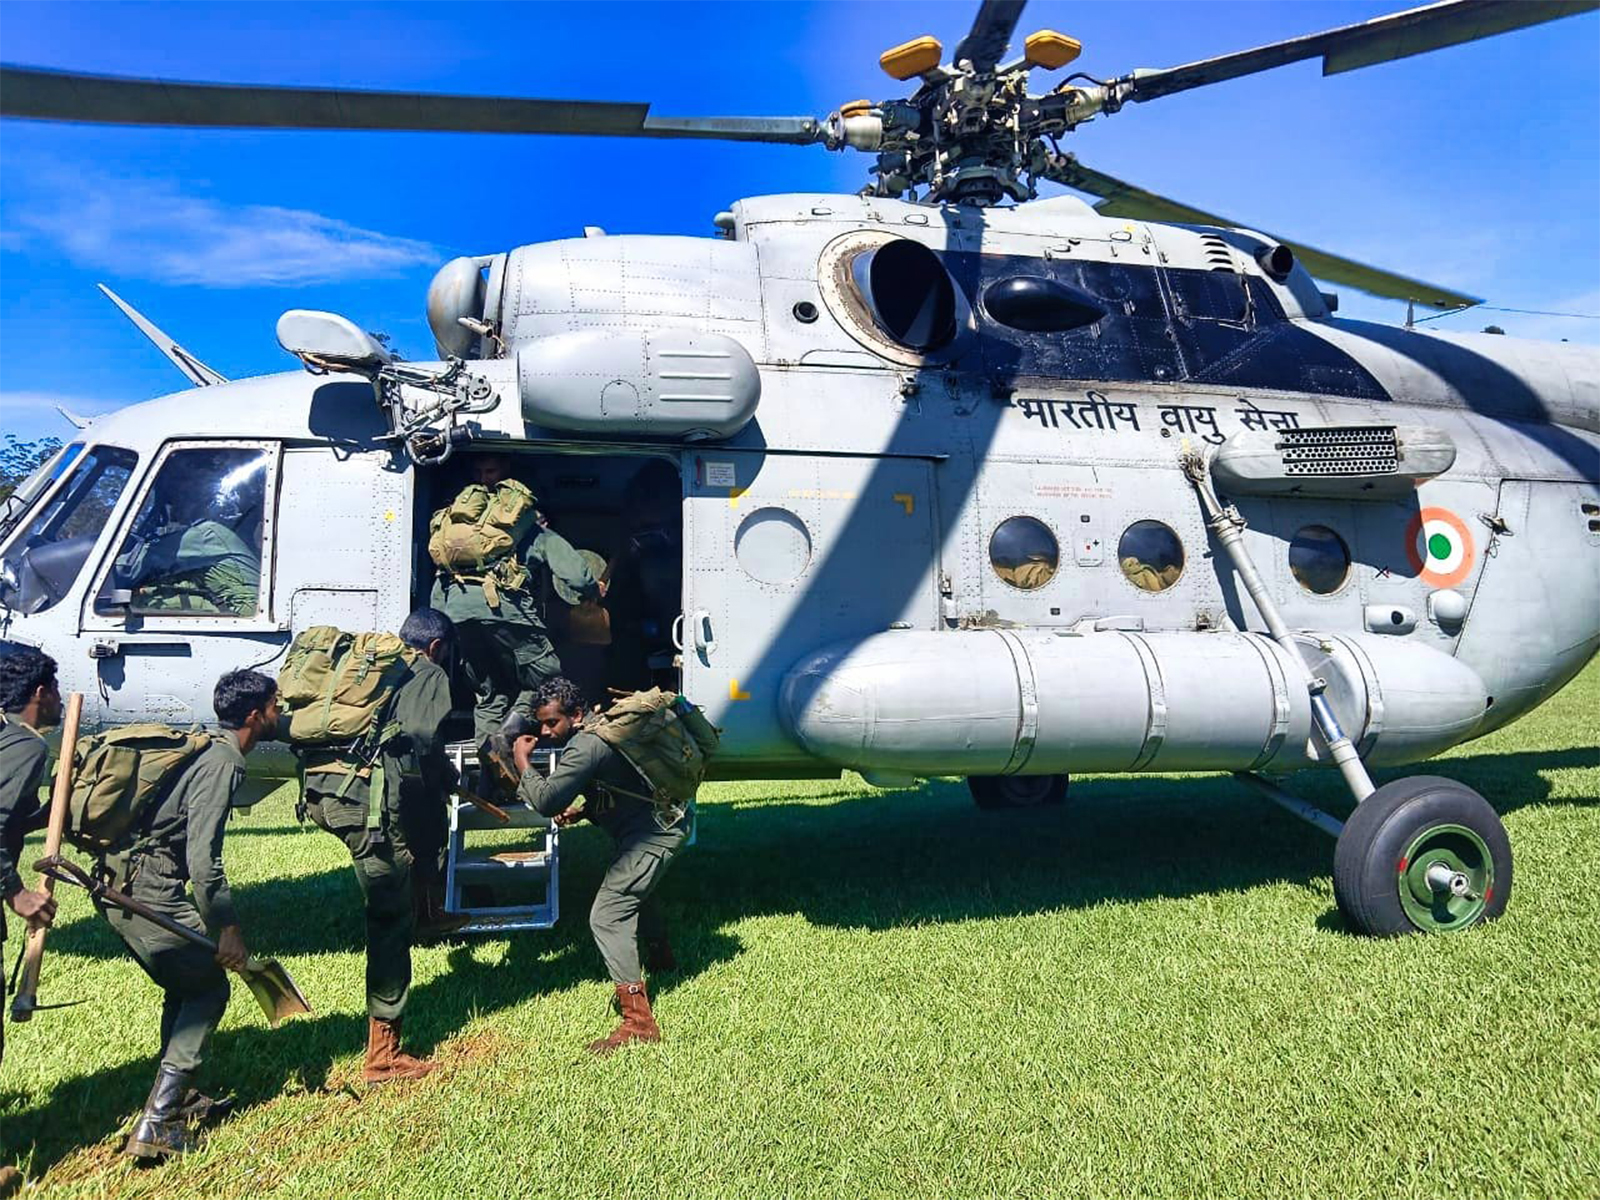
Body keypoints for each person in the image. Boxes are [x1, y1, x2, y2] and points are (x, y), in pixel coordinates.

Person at [98, 668, 278, 1161]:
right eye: (275, 706)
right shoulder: (224, 762)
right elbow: (204, 862)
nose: (280, 714)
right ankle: (158, 1121)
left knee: (186, 982)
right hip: (147, 887)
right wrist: (228, 928)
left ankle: (184, 1099)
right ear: (255, 715)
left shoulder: (203, 745)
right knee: (207, 987)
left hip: (122, 879)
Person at [297, 608, 457, 1083]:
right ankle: (383, 1054)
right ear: (435, 647)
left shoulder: (372, 664)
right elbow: (423, 739)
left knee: (423, 827)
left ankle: (428, 913)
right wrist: (443, 774)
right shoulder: (426, 670)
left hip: (323, 794)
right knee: (388, 917)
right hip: (364, 804)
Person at [512, 676, 686, 1055]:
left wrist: (522, 761)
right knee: (633, 890)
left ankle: (639, 1021)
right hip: (662, 823)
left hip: (656, 832)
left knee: (607, 914)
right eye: (540, 723)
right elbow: (623, 783)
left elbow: (544, 800)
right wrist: (584, 811)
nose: (544, 731)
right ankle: (662, 957)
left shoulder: (586, 746)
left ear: (575, 715)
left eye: (551, 722)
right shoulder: (599, 728)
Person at [430, 453, 597, 740]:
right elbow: (577, 576)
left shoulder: (456, 532)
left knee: (488, 692)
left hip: (456, 617)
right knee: (548, 678)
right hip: (507, 615)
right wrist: (593, 591)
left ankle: (489, 764)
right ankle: (507, 733)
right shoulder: (531, 530)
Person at [0, 648, 61, 1069]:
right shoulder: (25, 745)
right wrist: (15, 891)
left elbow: (8, 823)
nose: (60, 697)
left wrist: (48, 811)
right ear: (40, 693)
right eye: (55, 689)